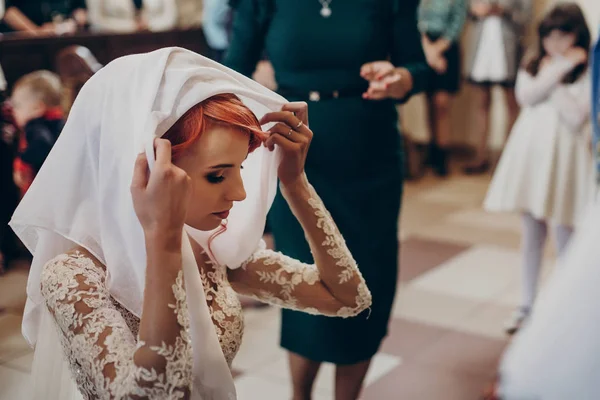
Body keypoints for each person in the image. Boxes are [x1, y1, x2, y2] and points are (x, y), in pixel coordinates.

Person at [9, 47, 372, 399]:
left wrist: (295, 184)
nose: (240, 193)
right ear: (148, 170)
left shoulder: (208, 248)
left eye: (240, 168)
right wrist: (162, 241)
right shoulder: (72, 277)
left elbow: (346, 296)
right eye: (217, 175)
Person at [225, 1, 429, 399]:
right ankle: (300, 393)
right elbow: (232, 70)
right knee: (304, 276)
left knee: (368, 277)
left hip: (369, 157)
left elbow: (416, 70)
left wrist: (398, 78)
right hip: (296, 159)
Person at [484, 3, 592, 335]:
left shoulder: (588, 70)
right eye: (550, 36)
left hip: (564, 162)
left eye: (565, 36)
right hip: (531, 159)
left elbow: (576, 117)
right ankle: (527, 306)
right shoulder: (534, 63)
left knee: (565, 237)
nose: (556, 43)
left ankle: (564, 311)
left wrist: (556, 75)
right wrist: (557, 70)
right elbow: (527, 96)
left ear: (578, 36)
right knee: (531, 235)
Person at [463, 0, 532, 174]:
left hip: (508, 45)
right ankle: (480, 156)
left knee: (512, 103)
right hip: (482, 46)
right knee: (481, 103)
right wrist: (476, 10)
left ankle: (510, 157)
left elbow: (526, 17)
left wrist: (503, 10)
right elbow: (467, 11)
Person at [418, 0, 468, 177]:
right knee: (428, 102)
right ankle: (431, 150)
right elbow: (415, 18)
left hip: (446, 48)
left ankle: (442, 155)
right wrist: (428, 50)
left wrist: (437, 50)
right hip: (424, 45)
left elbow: (457, 23)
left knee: (441, 104)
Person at [10, 70, 64, 196]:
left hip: (44, 189)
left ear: (37, 108)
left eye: (18, 106)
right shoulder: (61, 122)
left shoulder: (35, 126)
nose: (14, 111)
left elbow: (42, 144)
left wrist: (23, 161)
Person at [0, 0, 87, 35]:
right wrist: (36, 32)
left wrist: (70, 24)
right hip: (25, 41)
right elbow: (9, 12)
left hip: (63, 37)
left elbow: (80, 10)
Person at [86, 0, 177, 33]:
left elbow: (170, 16)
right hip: (114, 43)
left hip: (154, 39)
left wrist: (150, 25)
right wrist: (131, 26)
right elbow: (96, 20)